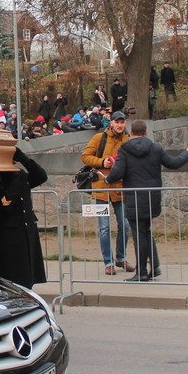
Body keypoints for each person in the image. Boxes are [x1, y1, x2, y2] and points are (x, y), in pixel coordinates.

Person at [106, 120, 188, 281]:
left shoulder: (124, 150)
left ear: (132, 133)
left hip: (134, 197)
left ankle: (142, 272)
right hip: (151, 197)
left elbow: (117, 174)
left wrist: (109, 176)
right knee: (146, 231)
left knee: (139, 236)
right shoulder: (155, 148)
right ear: (145, 133)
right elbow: (174, 163)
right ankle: (154, 266)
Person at [0, 148, 48, 288]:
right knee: (12, 276)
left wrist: (23, 158)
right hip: (9, 233)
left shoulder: (20, 175)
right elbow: (4, 205)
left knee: (28, 275)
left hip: (26, 229)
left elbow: (41, 176)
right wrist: (10, 174)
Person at [81, 111, 131, 275]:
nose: (120, 125)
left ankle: (121, 259)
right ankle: (108, 262)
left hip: (120, 189)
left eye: (122, 122)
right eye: (117, 122)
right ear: (111, 123)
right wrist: (103, 162)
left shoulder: (128, 140)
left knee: (125, 225)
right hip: (101, 189)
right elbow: (85, 157)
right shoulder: (99, 138)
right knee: (104, 228)